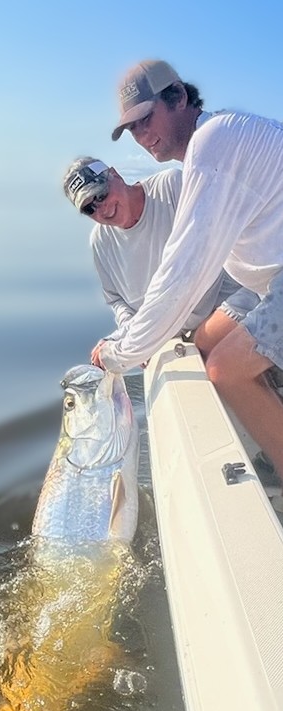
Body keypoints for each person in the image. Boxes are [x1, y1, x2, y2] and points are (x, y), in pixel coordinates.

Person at [91, 59, 283, 482]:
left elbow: (181, 275)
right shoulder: (217, 139)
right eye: (132, 130)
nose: (142, 137)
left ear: (178, 97)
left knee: (225, 370)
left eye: (145, 120)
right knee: (206, 340)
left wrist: (122, 354)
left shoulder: (213, 144)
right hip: (268, 285)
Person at [63, 157, 256, 343]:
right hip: (165, 335)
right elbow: (116, 300)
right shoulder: (99, 240)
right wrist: (132, 332)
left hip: (228, 309)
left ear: (116, 175)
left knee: (210, 350)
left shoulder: (171, 186)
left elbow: (201, 267)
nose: (102, 209)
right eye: (90, 208)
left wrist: (138, 339)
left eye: (101, 195)